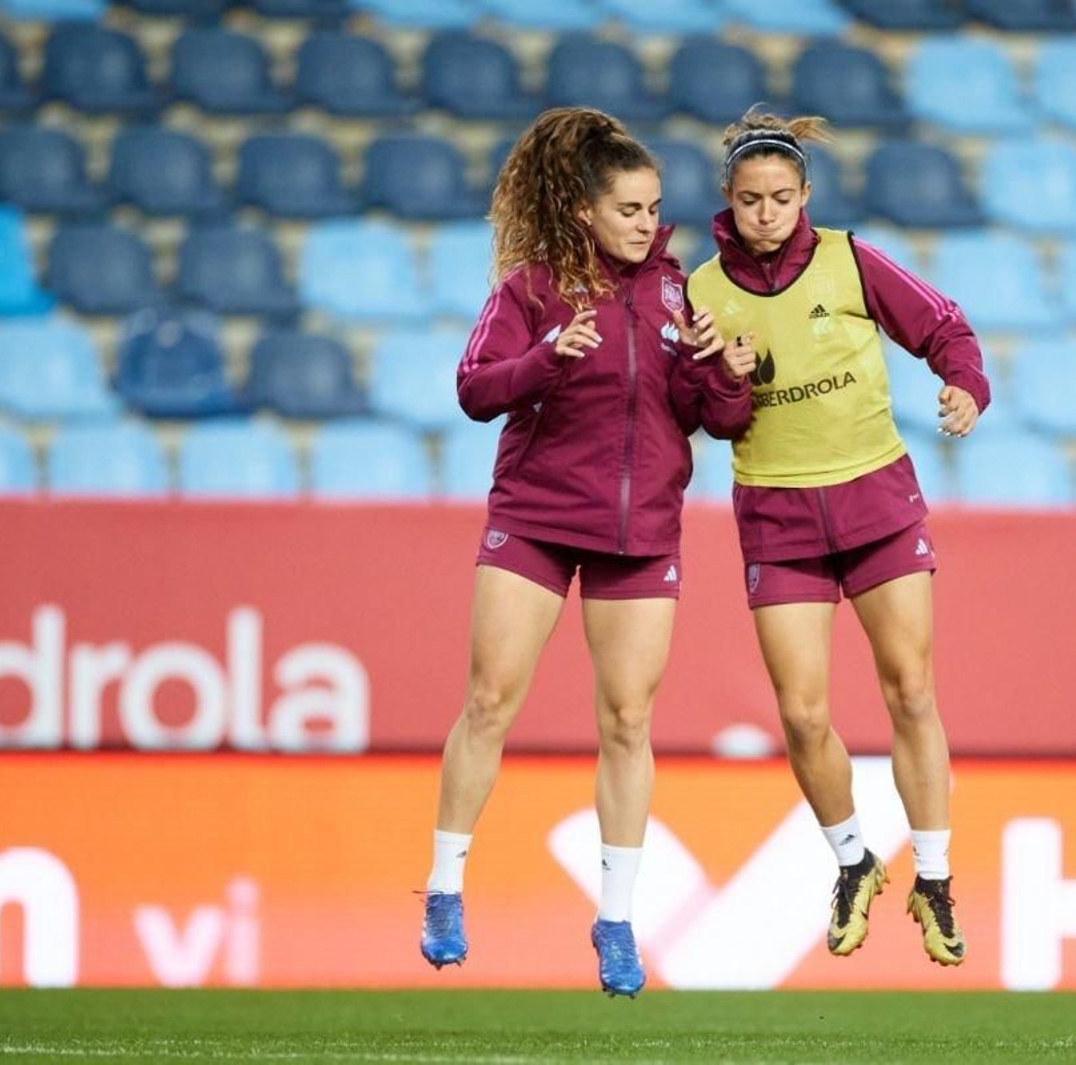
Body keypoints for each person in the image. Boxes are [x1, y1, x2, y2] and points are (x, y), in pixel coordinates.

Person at [418, 107, 743, 998]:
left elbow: (716, 420)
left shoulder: (679, 295)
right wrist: (548, 361)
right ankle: (445, 887)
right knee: (489, 699)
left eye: (654, 208)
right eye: (631, 208)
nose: (649, 223)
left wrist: (722, 370)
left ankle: (616, 918)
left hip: (640, 536)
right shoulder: (530, 288)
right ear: (586, 212)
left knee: (628, 721)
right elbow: (476, 389)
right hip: (536, 515)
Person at [686, 108, 990, 967]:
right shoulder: (701, 294)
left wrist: (967, 387)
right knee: (803, 712)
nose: (768, 213)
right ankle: (854, 858)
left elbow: (945, 329)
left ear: (806, 195)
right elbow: (708, 420)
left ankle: (932, 876)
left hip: (876, 502)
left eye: (783, 197)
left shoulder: (851, 260)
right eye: (752, 200)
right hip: (778, 514)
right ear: (729, 201)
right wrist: (726, 384)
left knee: (911, 690)